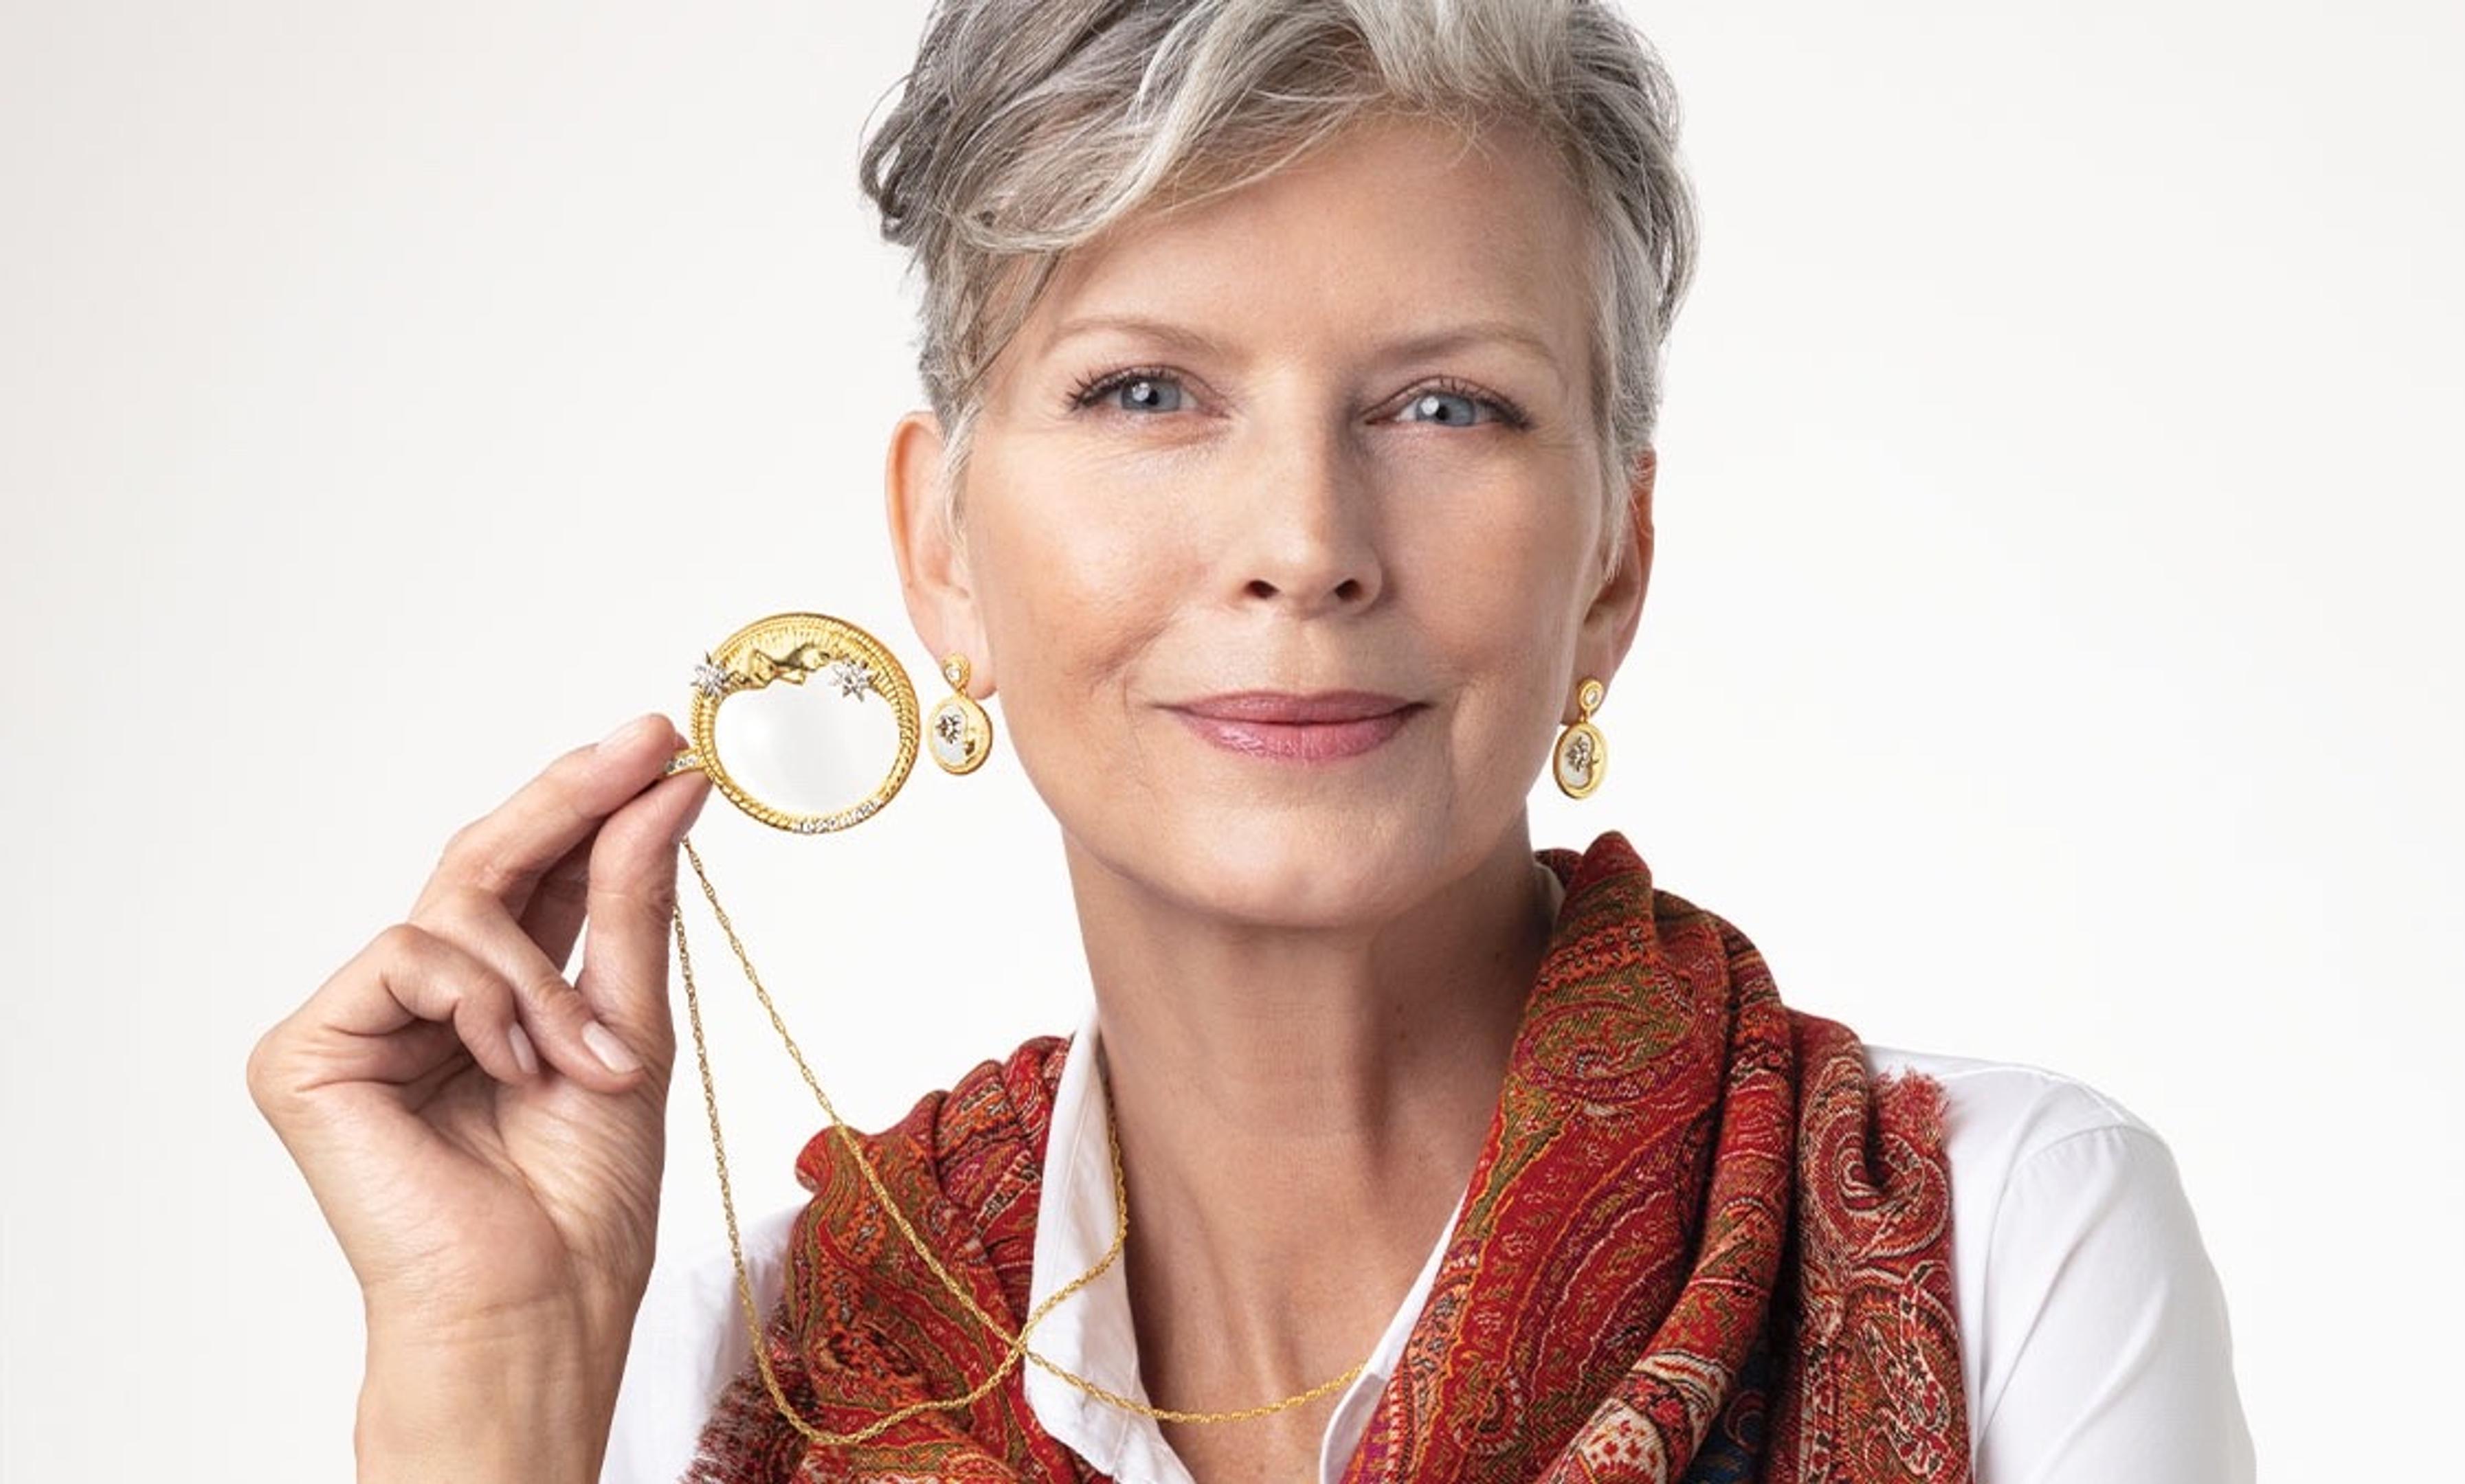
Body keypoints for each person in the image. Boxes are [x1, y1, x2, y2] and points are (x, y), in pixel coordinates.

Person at [246, 1, 2255, 1481]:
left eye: (1448, 408)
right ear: (945, 552)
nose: (1304, 545)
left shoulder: (2000, 1241)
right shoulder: (751, 1355)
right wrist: (489, 1386)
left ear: (1615, 569)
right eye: (1145, 395)